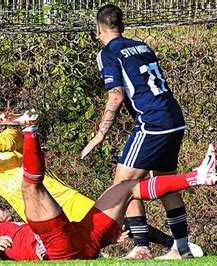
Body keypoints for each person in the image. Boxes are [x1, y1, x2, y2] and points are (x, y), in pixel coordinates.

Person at [0, 106, 203, 257]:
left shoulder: (9, 135)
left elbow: (4, 146)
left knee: (119, 222)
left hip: (65, 201)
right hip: (39, 219)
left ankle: (177, 244)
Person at [0, 125, 217, 261]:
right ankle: (32, 131)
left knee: (126, 187)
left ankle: (197, 176)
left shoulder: (18, 222)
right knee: (29, 185)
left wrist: (107, 239)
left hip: (85, 239)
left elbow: (7, 142)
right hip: (58, 245)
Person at [81, 4, 191, 259]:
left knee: (124, 186)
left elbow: (116, 95)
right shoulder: (142, 46)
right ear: (122, 26)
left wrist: (100, 134)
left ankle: (141, 246)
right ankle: (181, 247)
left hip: (152, 124)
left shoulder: (108, 53)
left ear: (98, 28)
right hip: (173, 118)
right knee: (165, 184)